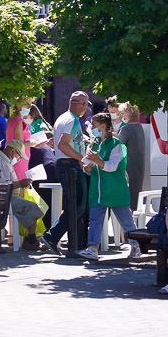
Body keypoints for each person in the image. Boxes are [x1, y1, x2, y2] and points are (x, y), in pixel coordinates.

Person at [75, 112, 141, 261]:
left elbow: (111, 166)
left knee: (126, 220)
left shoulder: (117, 145)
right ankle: (92, 249)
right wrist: (88, 168)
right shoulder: (95, 143)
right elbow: (89, 165)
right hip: (98, 189)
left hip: (114, 189)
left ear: (103, 126)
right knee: (95, 220)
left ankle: (136, 246)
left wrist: (96, 160)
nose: (92, 128)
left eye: (94, 125)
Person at [40, 92, 90, 256]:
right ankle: (52, 236)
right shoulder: (73, 120)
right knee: (78, 206)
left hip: (64, 165)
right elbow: (62, 144)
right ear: (83, 105)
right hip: (70, 166)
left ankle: (77, 245)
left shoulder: (62, 117)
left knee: (74, 207)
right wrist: (80, 157)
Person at [0, 139, 44, 250]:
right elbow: (3, 186)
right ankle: (31, 240)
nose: (18, 159)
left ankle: (29, 239)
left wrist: (21, 184)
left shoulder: (4, 160)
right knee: (32, 206)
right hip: (2, 199)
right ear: (12, 151)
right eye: (19, 156)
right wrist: (21, 183)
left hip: (3, 198)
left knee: (31, 205)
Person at [117, 102, 146, 209]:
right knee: (136, 201)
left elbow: (118, 149)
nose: (121, 115)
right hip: (139, 169)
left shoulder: (126, 129)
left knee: (127, 202)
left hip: (128, 169)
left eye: (123, 112)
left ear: (128, 113)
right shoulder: (139, 127)